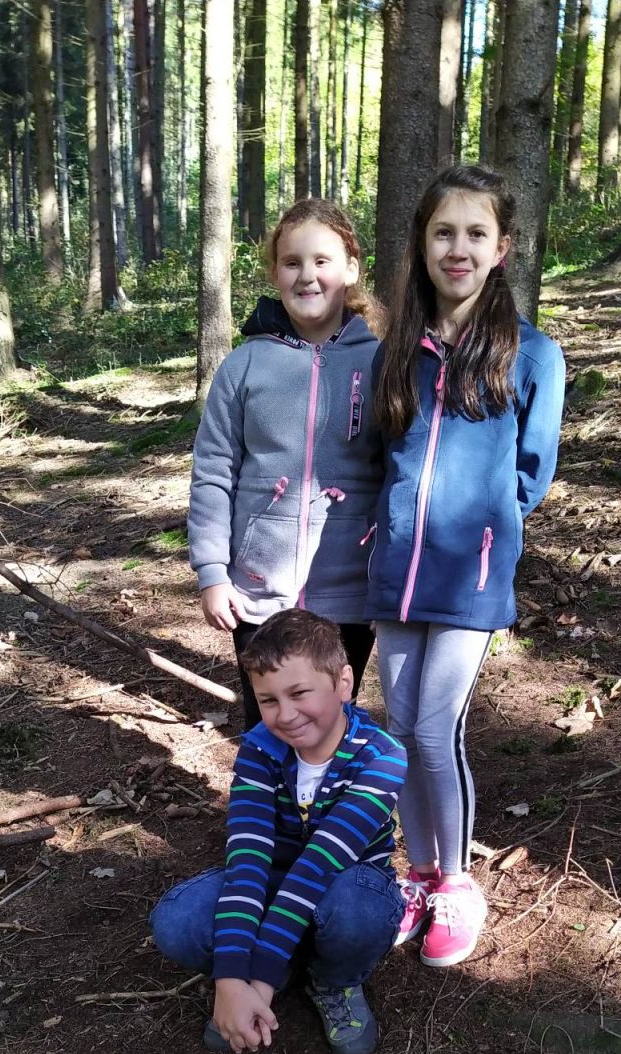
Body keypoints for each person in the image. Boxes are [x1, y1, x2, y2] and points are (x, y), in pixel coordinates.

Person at [367, 164, 566, 969]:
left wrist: (485, 535)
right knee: (397, 728)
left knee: (433, 728)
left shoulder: (534, 355)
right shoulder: (398, 349)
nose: (458, 248)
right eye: (443, 232)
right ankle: (417, 876)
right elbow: (382, 454)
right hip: (395, 570)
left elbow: (531, 475)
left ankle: (456, 884)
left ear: (502, 248)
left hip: (470, 578)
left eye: (475, 233)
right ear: (422, 243)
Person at [150, 609, 407, 1054]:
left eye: (299, 693)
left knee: (361, 910)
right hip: (272, 884)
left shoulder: (382, 757)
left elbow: (318, 867)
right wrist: (232, 979)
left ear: (343, 683)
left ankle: (333, 981)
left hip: (343, 886)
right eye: (267, 700)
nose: (285, 715)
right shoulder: (258, 751)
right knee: (177, 921)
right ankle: (275, 968)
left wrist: (258, 983)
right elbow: (247, 862)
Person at [188, 198, 383, 731]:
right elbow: (213, 470)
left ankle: (326, 791)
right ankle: (264, 789)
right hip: (256, 590)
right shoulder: (244, 365)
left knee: (329, 724)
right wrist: (212, 573)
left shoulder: (381, 363)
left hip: (351, 590)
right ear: (275, 273)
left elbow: (397, 477)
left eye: (322, 261)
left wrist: (387, 586)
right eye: (292, 262)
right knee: (269, 724)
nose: (307, 276)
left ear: (351, 268)